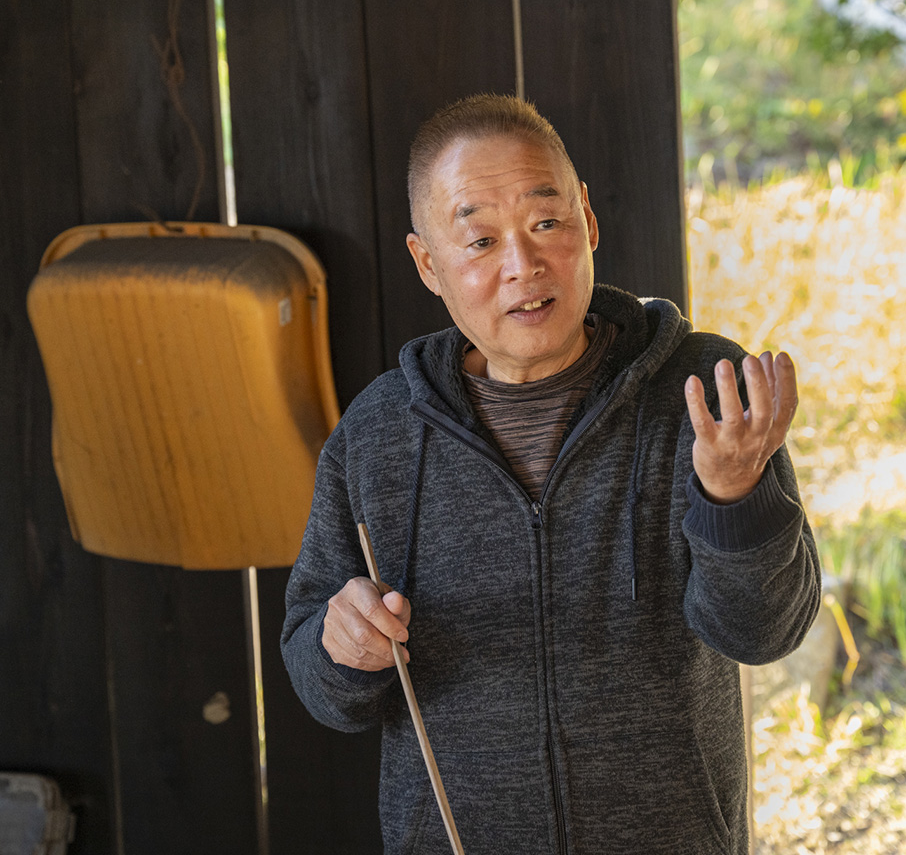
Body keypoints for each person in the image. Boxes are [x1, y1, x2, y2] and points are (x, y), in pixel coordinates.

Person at [282, 93, 821, 854]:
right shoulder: (378, 435)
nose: (523, 266)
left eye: (547, 223)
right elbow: (318, 678)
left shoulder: (701, 392)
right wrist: (342, 645)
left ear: (588, 221)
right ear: (428, 262)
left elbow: (766, 632)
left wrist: (732, 495)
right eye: (478, 242)